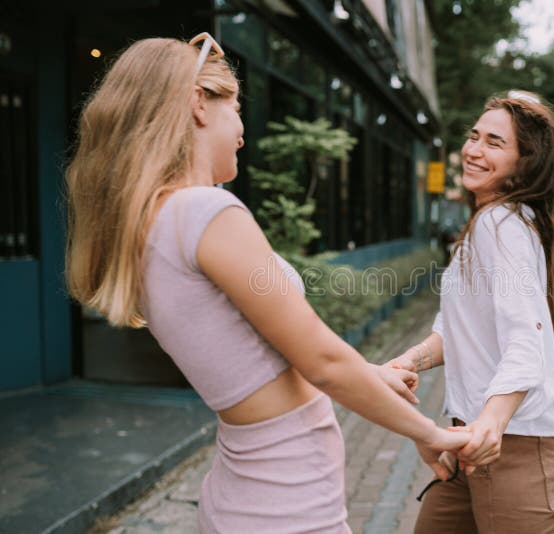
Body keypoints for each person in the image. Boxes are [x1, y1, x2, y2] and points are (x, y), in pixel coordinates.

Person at [64, 34, 469, 533]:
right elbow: (321, 360)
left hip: (253, 498)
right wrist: (428, 433)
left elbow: (259, 356)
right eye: (235, 109)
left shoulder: (153, 221)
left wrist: (369, 376)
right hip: (286, 507)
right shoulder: (204, 211)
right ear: (197, 104)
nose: (241, 131)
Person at [387, 90, 554, 533]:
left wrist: (491, 424)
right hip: (472, 440)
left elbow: (526, 339)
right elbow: (460, 330)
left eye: (495, 143)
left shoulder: (503, 227)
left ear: (525, 162)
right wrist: (406, 363)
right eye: (474, 136)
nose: (474, 150)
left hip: (513, 446)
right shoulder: (488, 224)